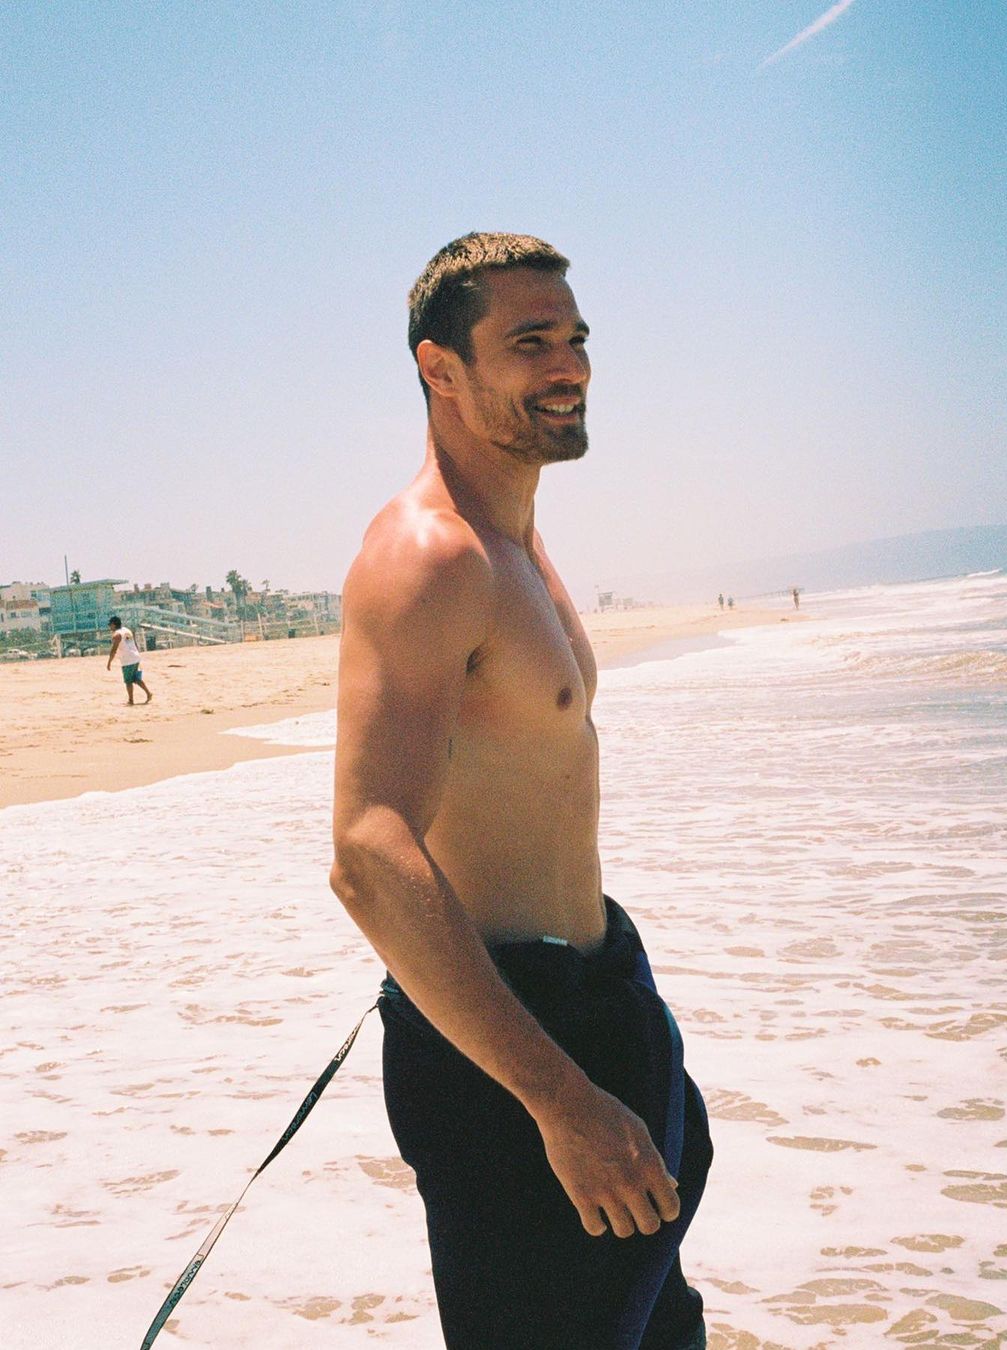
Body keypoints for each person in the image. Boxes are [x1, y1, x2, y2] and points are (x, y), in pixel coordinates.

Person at [330, 233, 712, 1350]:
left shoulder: (517, 548)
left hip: (593, 1004)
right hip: (511, 1055)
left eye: (576, 338)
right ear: (440, 368)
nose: (569, 366)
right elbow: (366, 852)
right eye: (531, 342)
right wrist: (558, 1099)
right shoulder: (430, 558)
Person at [106, 616, 152, 704]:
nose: (109, 627)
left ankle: (131, 700)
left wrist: (109, 663)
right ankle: (148, 693)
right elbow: (134, 643)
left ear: (114, 625)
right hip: (135, 657)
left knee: (128, 681)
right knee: (136, 679)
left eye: (110, 625)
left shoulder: (117, 635)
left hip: (127, 660)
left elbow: (113, 650)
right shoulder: (127, 630)